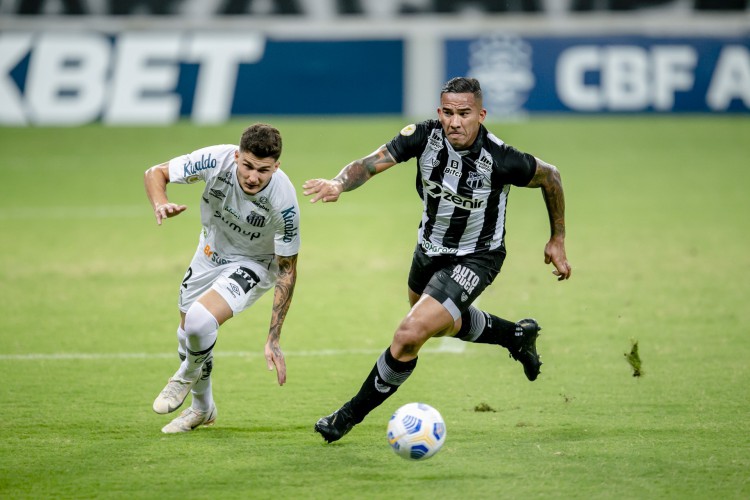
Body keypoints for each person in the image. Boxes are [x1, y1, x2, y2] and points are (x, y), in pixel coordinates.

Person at [303, 77, 571, 443]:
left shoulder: (502, 158)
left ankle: (345, 417)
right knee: (440, 325)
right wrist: (337, 183)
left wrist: (557, 238)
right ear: (439, 112)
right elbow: (369, 164)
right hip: (428, 250)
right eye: (447, 112)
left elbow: (551, 177)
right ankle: (516, 336)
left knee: (410, 334)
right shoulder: (423, 137)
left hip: (478, 256)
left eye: (464, 114)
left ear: (481, 114)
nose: (454, 122)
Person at [144, 123, 300, 433]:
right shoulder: (215, 160)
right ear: (237, 156)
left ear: (276, 167)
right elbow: (155, 173)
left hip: (255, 263)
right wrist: (160, 203)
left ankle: (185, 374)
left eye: (264, 170)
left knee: (200, 322)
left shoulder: (284, 202)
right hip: (209, 251)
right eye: (248, 166)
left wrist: (274, 337)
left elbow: (287, 269)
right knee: (188, 334)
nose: (253, 177)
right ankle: (203, 409)